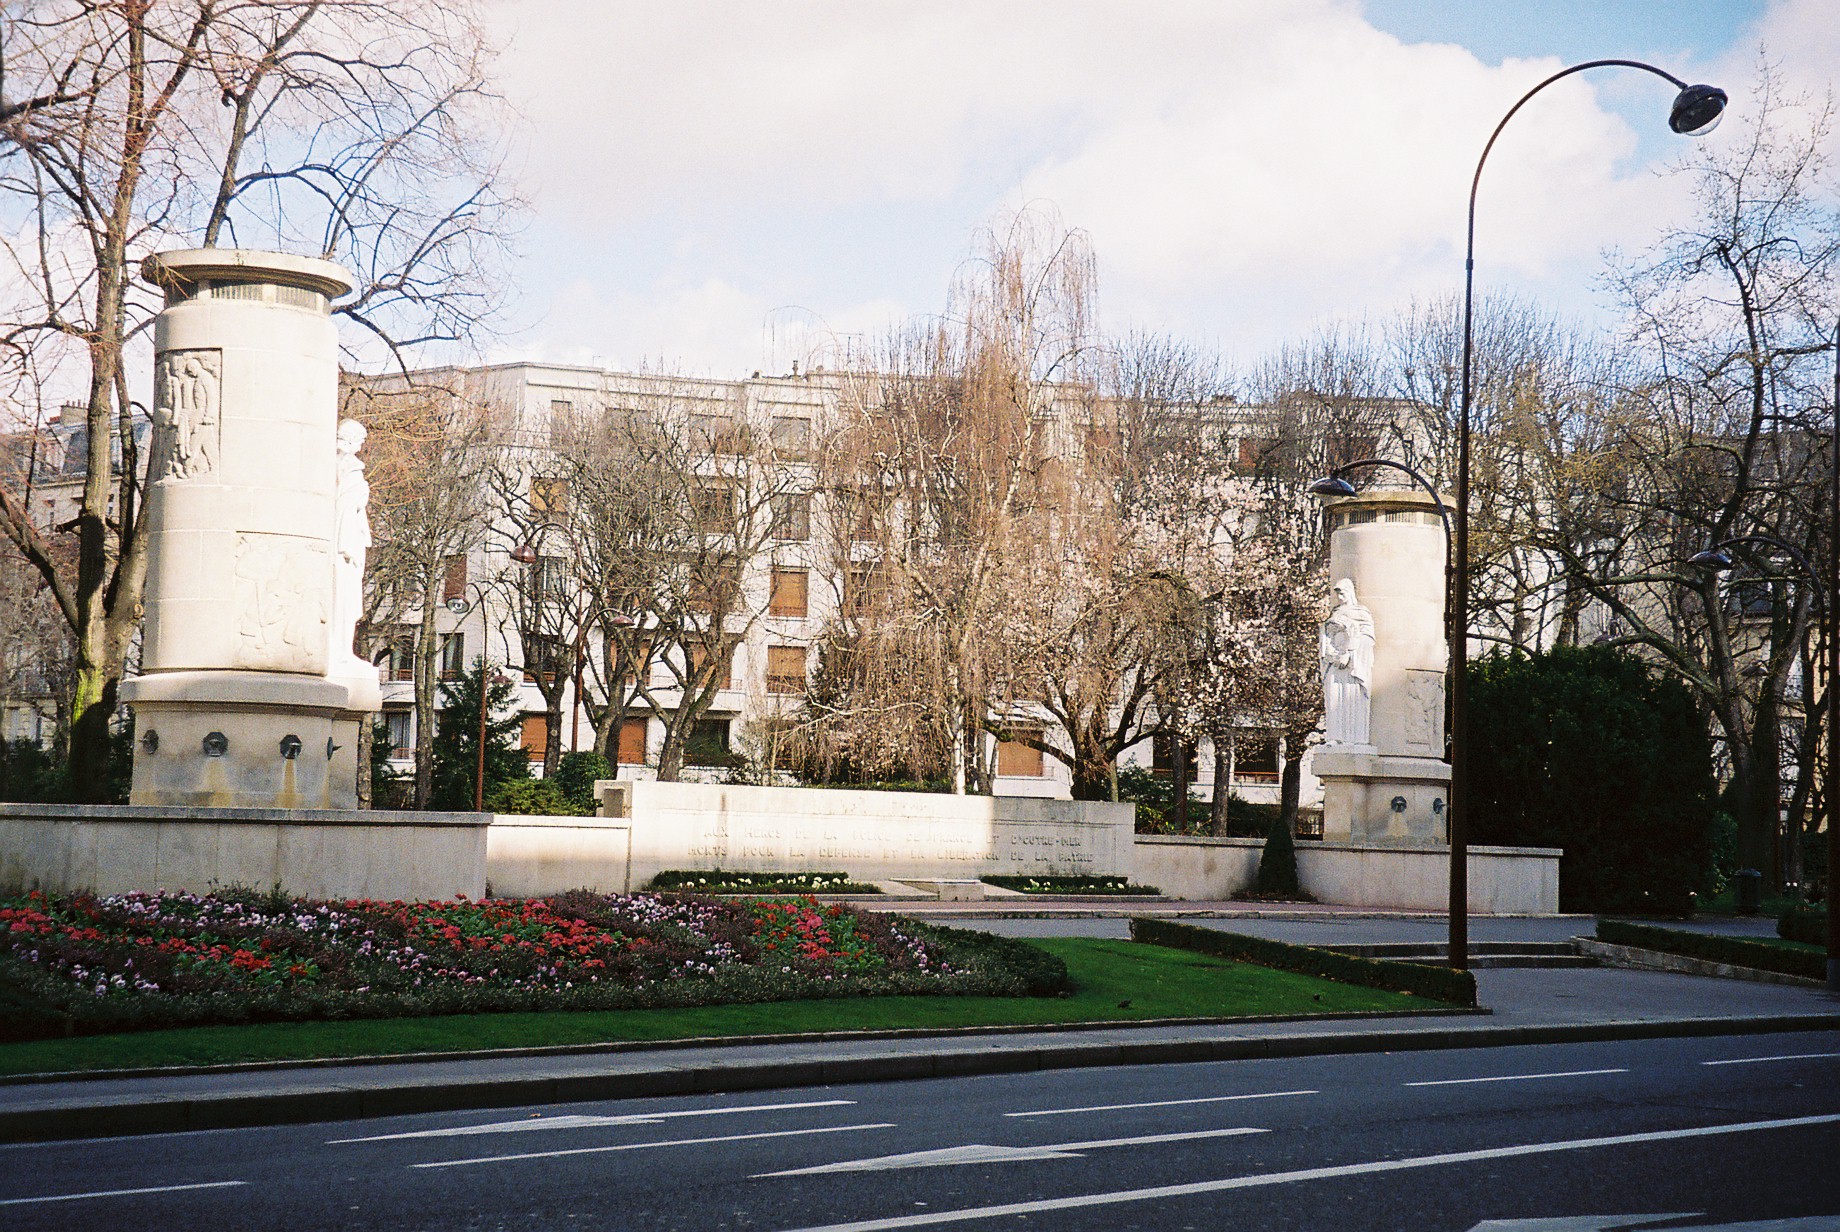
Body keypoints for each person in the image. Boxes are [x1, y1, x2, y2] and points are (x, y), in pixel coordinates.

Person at [1320, 577, 1374, 746]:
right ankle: (1335, 737)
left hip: (1352, 663)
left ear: (1350, 593)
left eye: (1342, 593)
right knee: (1334, 697)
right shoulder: (1335, 612)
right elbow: (1326, 634)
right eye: (1337, 594)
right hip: (1334, 662)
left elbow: (1367, 637)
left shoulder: (1361, 612)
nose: (1340, 597)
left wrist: (1350, 653)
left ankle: (1355, 738)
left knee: (1353, 697)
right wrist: (1330, 652)